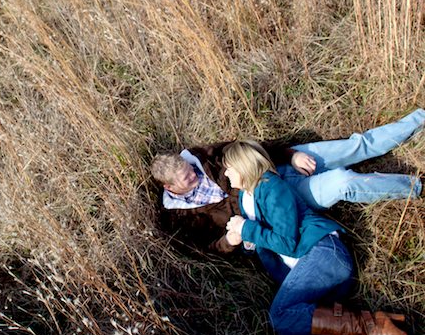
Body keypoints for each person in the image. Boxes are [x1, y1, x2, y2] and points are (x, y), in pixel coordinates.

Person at [221, 140, 416, 335]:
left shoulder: (270, 186)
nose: (226, 174)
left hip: (324, 253)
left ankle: (378, 328)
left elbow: (288, 242)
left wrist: (247, 229)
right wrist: (247, 241)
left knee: (279, 316)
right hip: (312, 274)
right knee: (288, 332)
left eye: (229, 168)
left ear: (242, 165)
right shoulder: (248, 198)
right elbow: (269, 237)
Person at [150, 108, 424, 256]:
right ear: (171, 188)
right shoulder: (180, 218)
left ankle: (418, 118)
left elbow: (249, 149)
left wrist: (291, 155)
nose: (194, 174)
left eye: (191, 169)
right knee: (343, 182)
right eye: (188, 179)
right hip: (285, 203)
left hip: (281, 166)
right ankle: (415, 187)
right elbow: (206, 249)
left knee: (356, 146)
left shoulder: (202, 156)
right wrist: (232, 240)